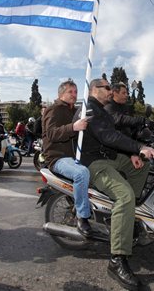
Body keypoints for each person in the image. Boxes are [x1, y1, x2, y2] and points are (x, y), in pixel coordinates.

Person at [74, 78, 154, 290]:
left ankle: (129, 215)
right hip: (94, 163)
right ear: (94, 90)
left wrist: (132, 154)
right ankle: (117, 259)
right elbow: (108, 135)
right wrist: (138, 147)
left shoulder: (101, 109)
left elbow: (115, 136)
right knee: (125, 195)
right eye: (107, 87)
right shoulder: (88, 109)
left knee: (144, 166)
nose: (111, 91)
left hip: (110, 156)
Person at [41, 80, 91, 235]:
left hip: (74, 157)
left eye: (76, 92)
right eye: (71, 91)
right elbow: (52, 133)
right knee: (81, 173)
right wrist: (73, 127)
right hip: (57, 158)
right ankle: (82, 217)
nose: (74, 95)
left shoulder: (75, 111)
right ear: (61, 93)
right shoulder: (53, 109)